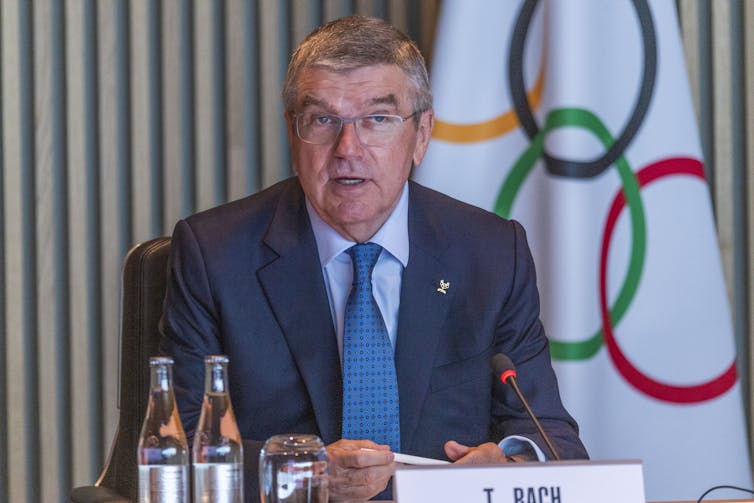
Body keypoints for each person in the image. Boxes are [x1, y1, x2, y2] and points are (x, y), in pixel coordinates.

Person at [160, 15, 587, 502]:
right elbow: (182, 448)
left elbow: (553, 442)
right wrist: (309, 474)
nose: (348, 149)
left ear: (422, 133)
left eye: (377, 120)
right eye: (322, 120)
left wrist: (510, 467)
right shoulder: (215, 253)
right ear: (292, 133)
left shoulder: (490, 253)